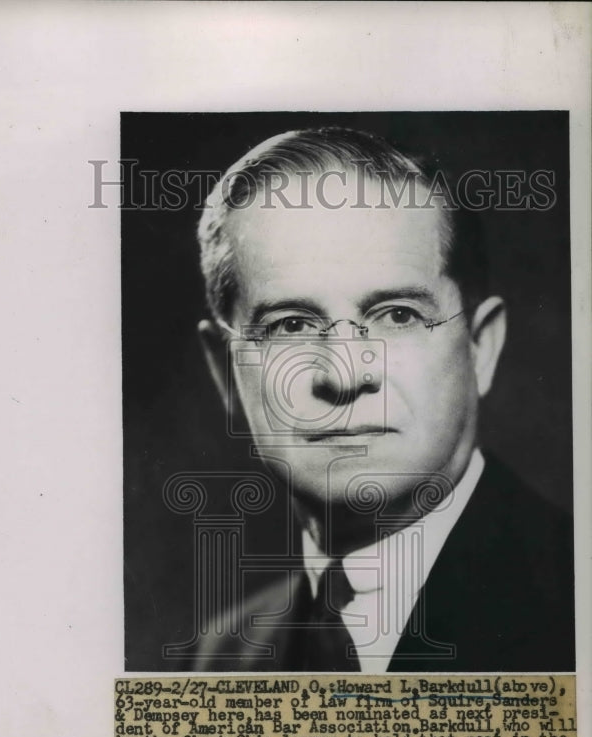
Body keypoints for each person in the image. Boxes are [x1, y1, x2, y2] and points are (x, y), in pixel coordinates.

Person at [188, 126, 574, 673]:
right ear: (226, 371)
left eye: (397, 315)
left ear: (481, 346)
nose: (344, 374)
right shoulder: (215, 662)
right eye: (291, 324)